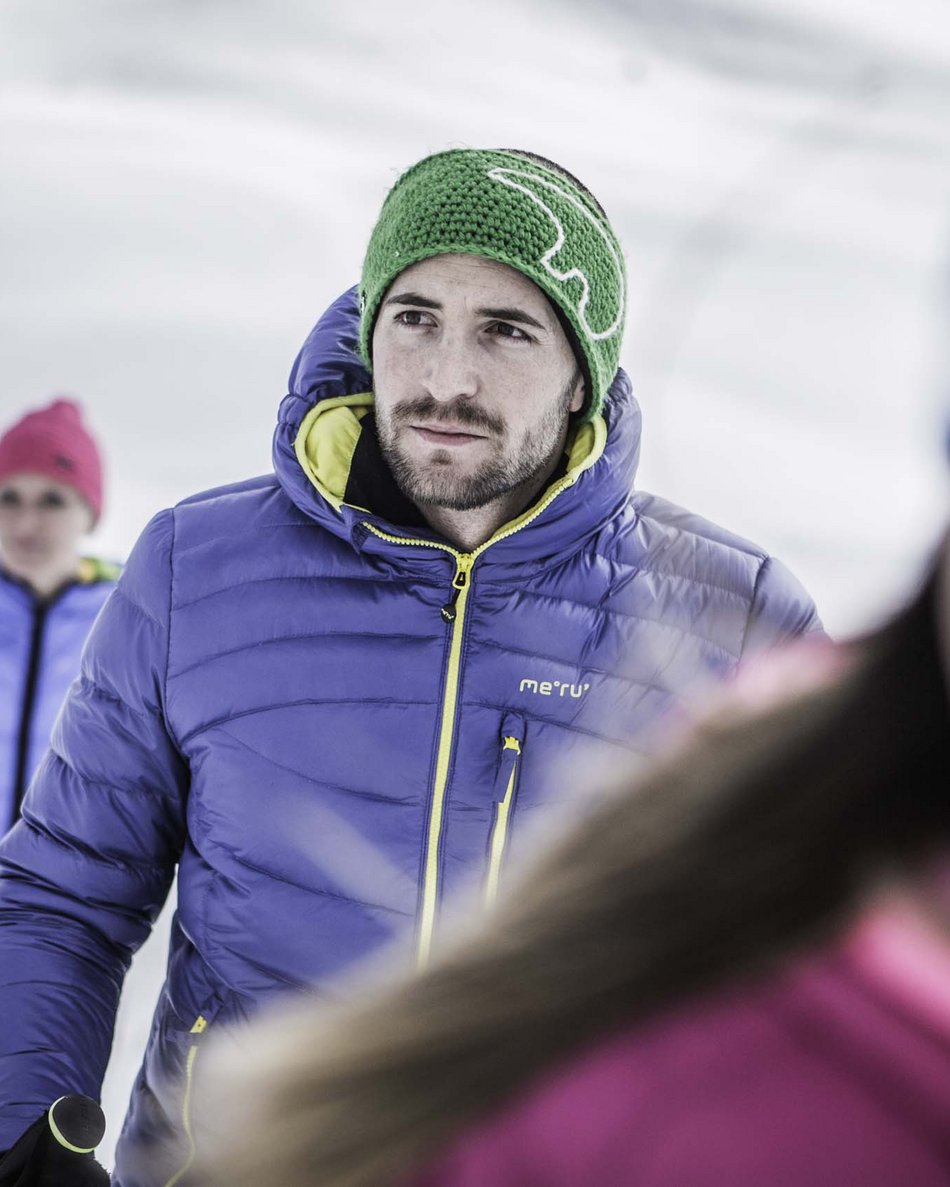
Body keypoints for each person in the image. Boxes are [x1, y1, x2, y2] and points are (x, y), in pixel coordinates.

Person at [0, 148, 821, 1186]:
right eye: (415, 316)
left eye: (507, 329)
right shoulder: (194, 571)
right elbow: (61, 896)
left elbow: (834, 972)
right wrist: (23, 1130)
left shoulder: (733, 617)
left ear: (586, 372)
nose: (446, 378)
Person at [194, 542, 950, 1187]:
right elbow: (78, 892)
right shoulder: (767, 752)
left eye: (511, 353)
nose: (449, 377)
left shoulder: (735, 611)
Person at [0, 398, 118, 834]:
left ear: (88, 514)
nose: (26, 523)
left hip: (69, 890)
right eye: (8, 497)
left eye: (52, 500)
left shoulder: (128, 617)